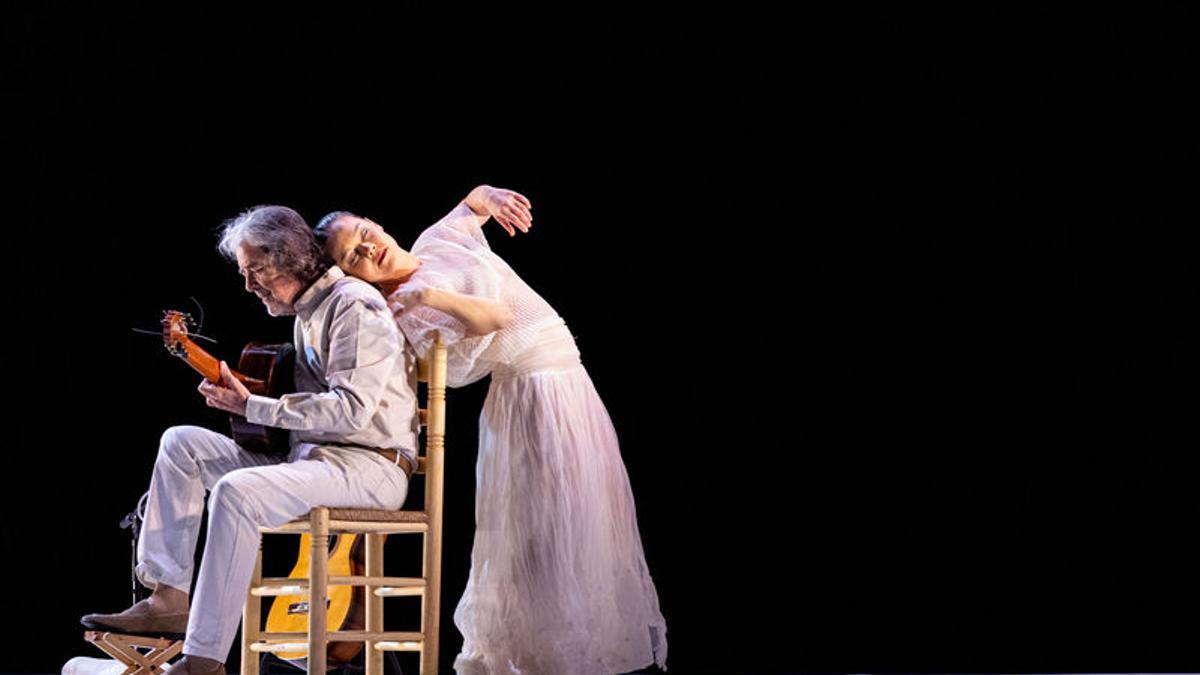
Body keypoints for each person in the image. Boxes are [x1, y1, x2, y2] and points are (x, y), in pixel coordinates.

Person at [314, 185, 668, 675]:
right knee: (548, 528)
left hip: (567, 382)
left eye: (365, 233)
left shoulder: (433, 243)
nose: (370, 247)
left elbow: (472, 203)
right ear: (350, 274)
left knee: (582, 515)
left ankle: (574, 651)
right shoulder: (403, 314)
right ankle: (548, 655)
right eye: (355, 254)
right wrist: (427, 296)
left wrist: (493, 199)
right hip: (533, 392)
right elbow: (494, 317)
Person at [81, 205, 420, 675]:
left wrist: (252, 407)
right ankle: (169, 596)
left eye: (256, 270)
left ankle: (203, 660)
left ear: (295, 260)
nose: (248, 285)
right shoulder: (308, 315)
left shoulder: (353, 305)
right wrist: (248, 403)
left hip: (369, 468)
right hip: (316, 459)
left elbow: (351, 410)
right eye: (245, 272)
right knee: (183, 445)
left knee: (237, 493)